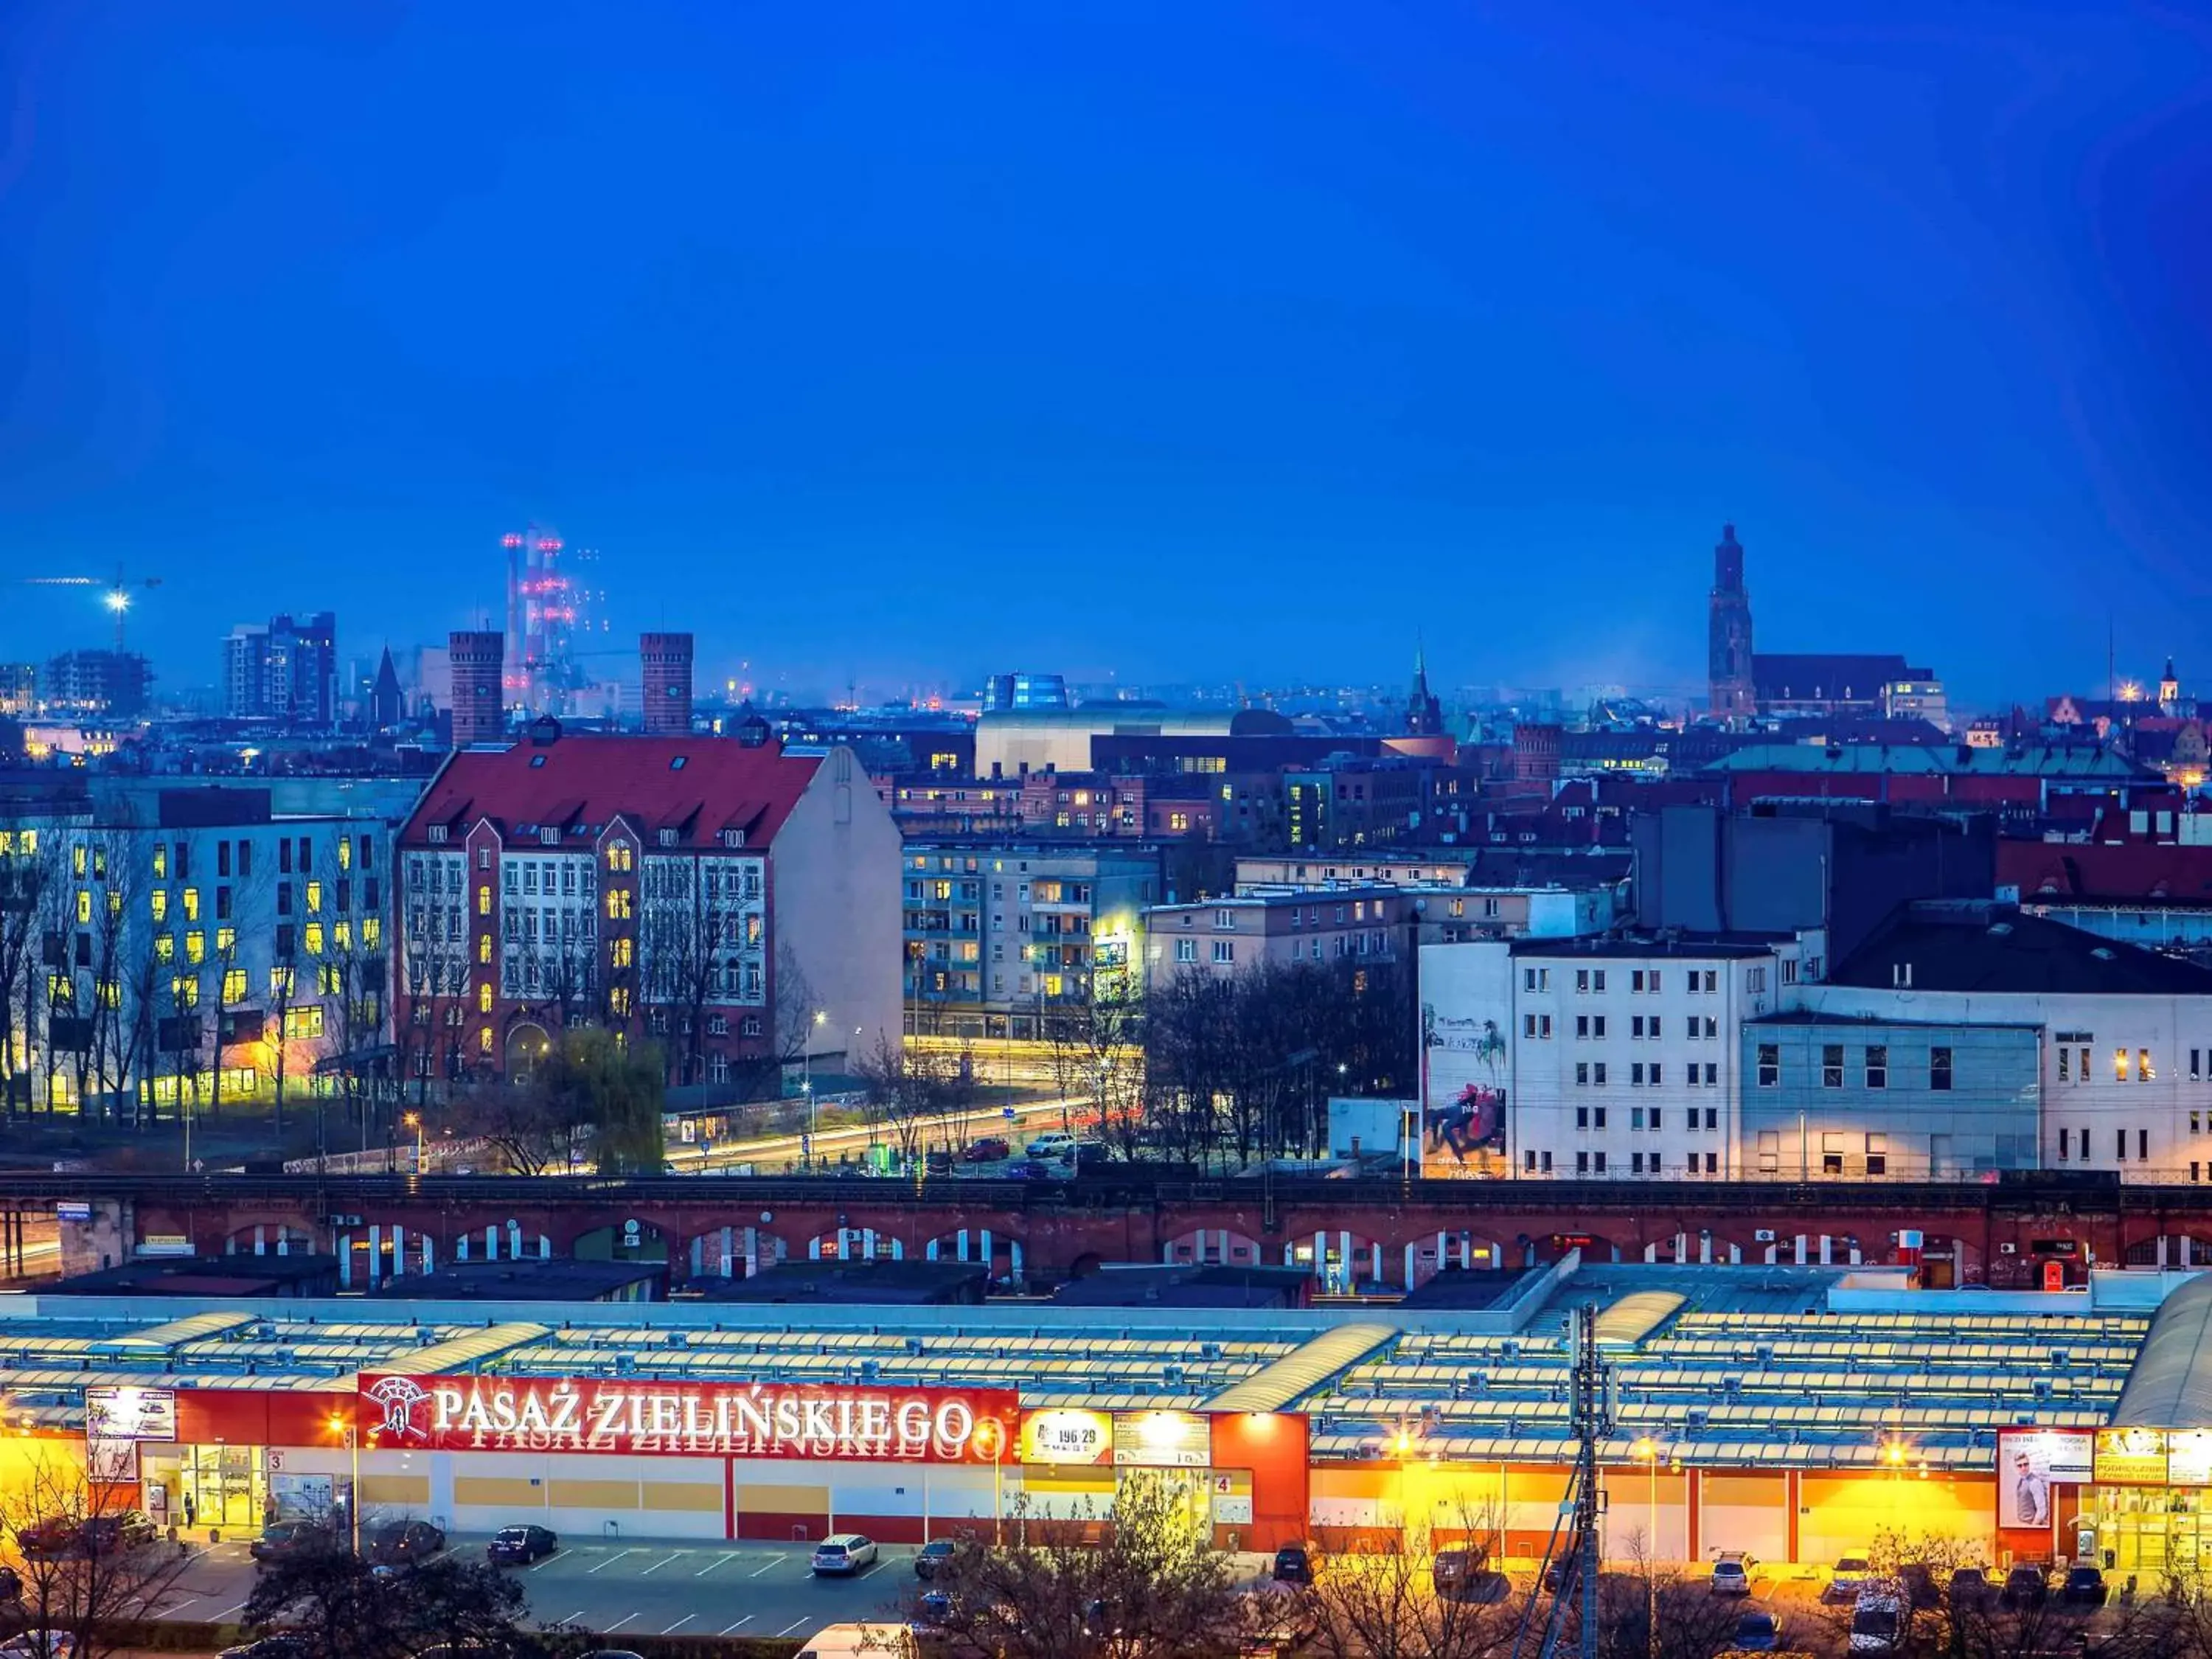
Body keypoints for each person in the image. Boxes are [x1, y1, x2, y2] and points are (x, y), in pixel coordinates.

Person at [2014, 1451, 2050, 1528]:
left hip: (2031, 1525)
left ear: (2029, 1464)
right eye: (2020, 1466)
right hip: (2022, 1524)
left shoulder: (2035, 1482)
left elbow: (2042, 1510)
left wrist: (2032, 1528)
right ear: (2016, 1468)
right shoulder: (2021, 1480)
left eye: (2025, 1464)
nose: (2023, 1468)